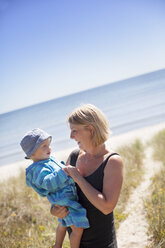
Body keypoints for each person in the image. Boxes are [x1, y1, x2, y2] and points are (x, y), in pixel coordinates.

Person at [51, 104, 124, 248]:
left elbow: (107, 207)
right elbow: (61, 194)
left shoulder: (112, 161)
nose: (71, 136)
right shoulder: (73, 157)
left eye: (74, 131)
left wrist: (78, 178)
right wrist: (55, 210)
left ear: (90, 130)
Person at [20, 128, 89, 248]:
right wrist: (64, 172)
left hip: (65, 199)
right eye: (44, 146)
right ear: (32, 154)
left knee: (62, 224)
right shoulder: (38, 169)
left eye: (49, 145)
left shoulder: (47, 160)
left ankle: (57, 245)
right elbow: (48, 183)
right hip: (65, 202)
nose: (49, 149)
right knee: (77, 229)